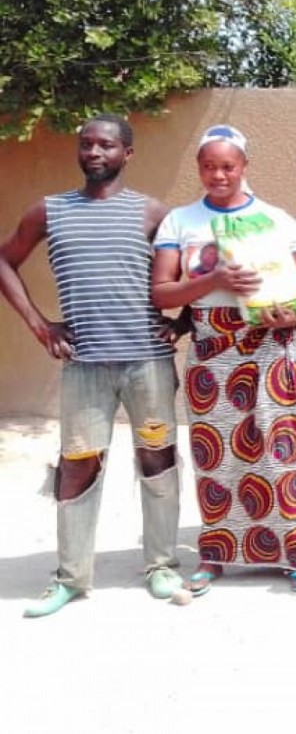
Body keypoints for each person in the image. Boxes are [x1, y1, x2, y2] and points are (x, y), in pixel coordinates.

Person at [0, 115, 186, 617]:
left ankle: (162, 565)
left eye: (107, 145)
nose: (95, 152)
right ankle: (71, 577)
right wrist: (41, 326)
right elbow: (4, 260)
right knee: (77, 468)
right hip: (85, 366)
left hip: (148, 361)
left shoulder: (152, 213)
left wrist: (184, 321)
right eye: (86, 144)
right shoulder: (50, 211)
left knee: (157, 461)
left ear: (128, 154)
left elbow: (198, 270)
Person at [151, 125, 296, 595]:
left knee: (284, 454)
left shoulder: (277, 220)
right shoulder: (181, 222)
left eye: (228, 166)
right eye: (208, 166)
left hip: (274, 348)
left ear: (244, 167)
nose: (218, 175)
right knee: (218, 459)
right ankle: (217, 554)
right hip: (212, 354)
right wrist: (213, 278)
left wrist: (287, 313)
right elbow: (161, 293)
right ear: (199, 168)